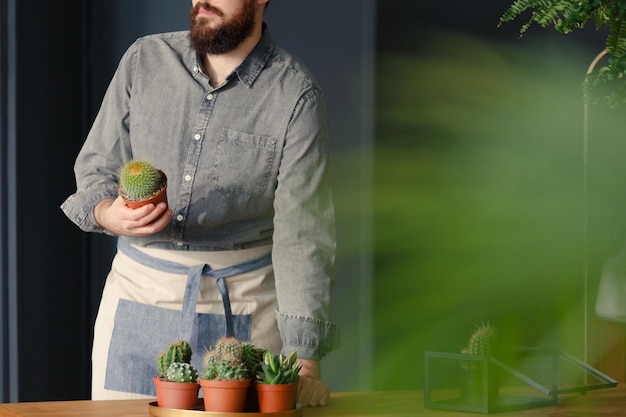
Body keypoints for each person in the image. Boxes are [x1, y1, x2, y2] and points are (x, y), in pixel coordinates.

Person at [61, 0, 339, 407]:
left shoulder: (295, 96)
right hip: (138, 298)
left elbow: (305, 236)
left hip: (245, 310)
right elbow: (97, 167)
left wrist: (306, 362)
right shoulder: (145, 59)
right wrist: (108, 213)